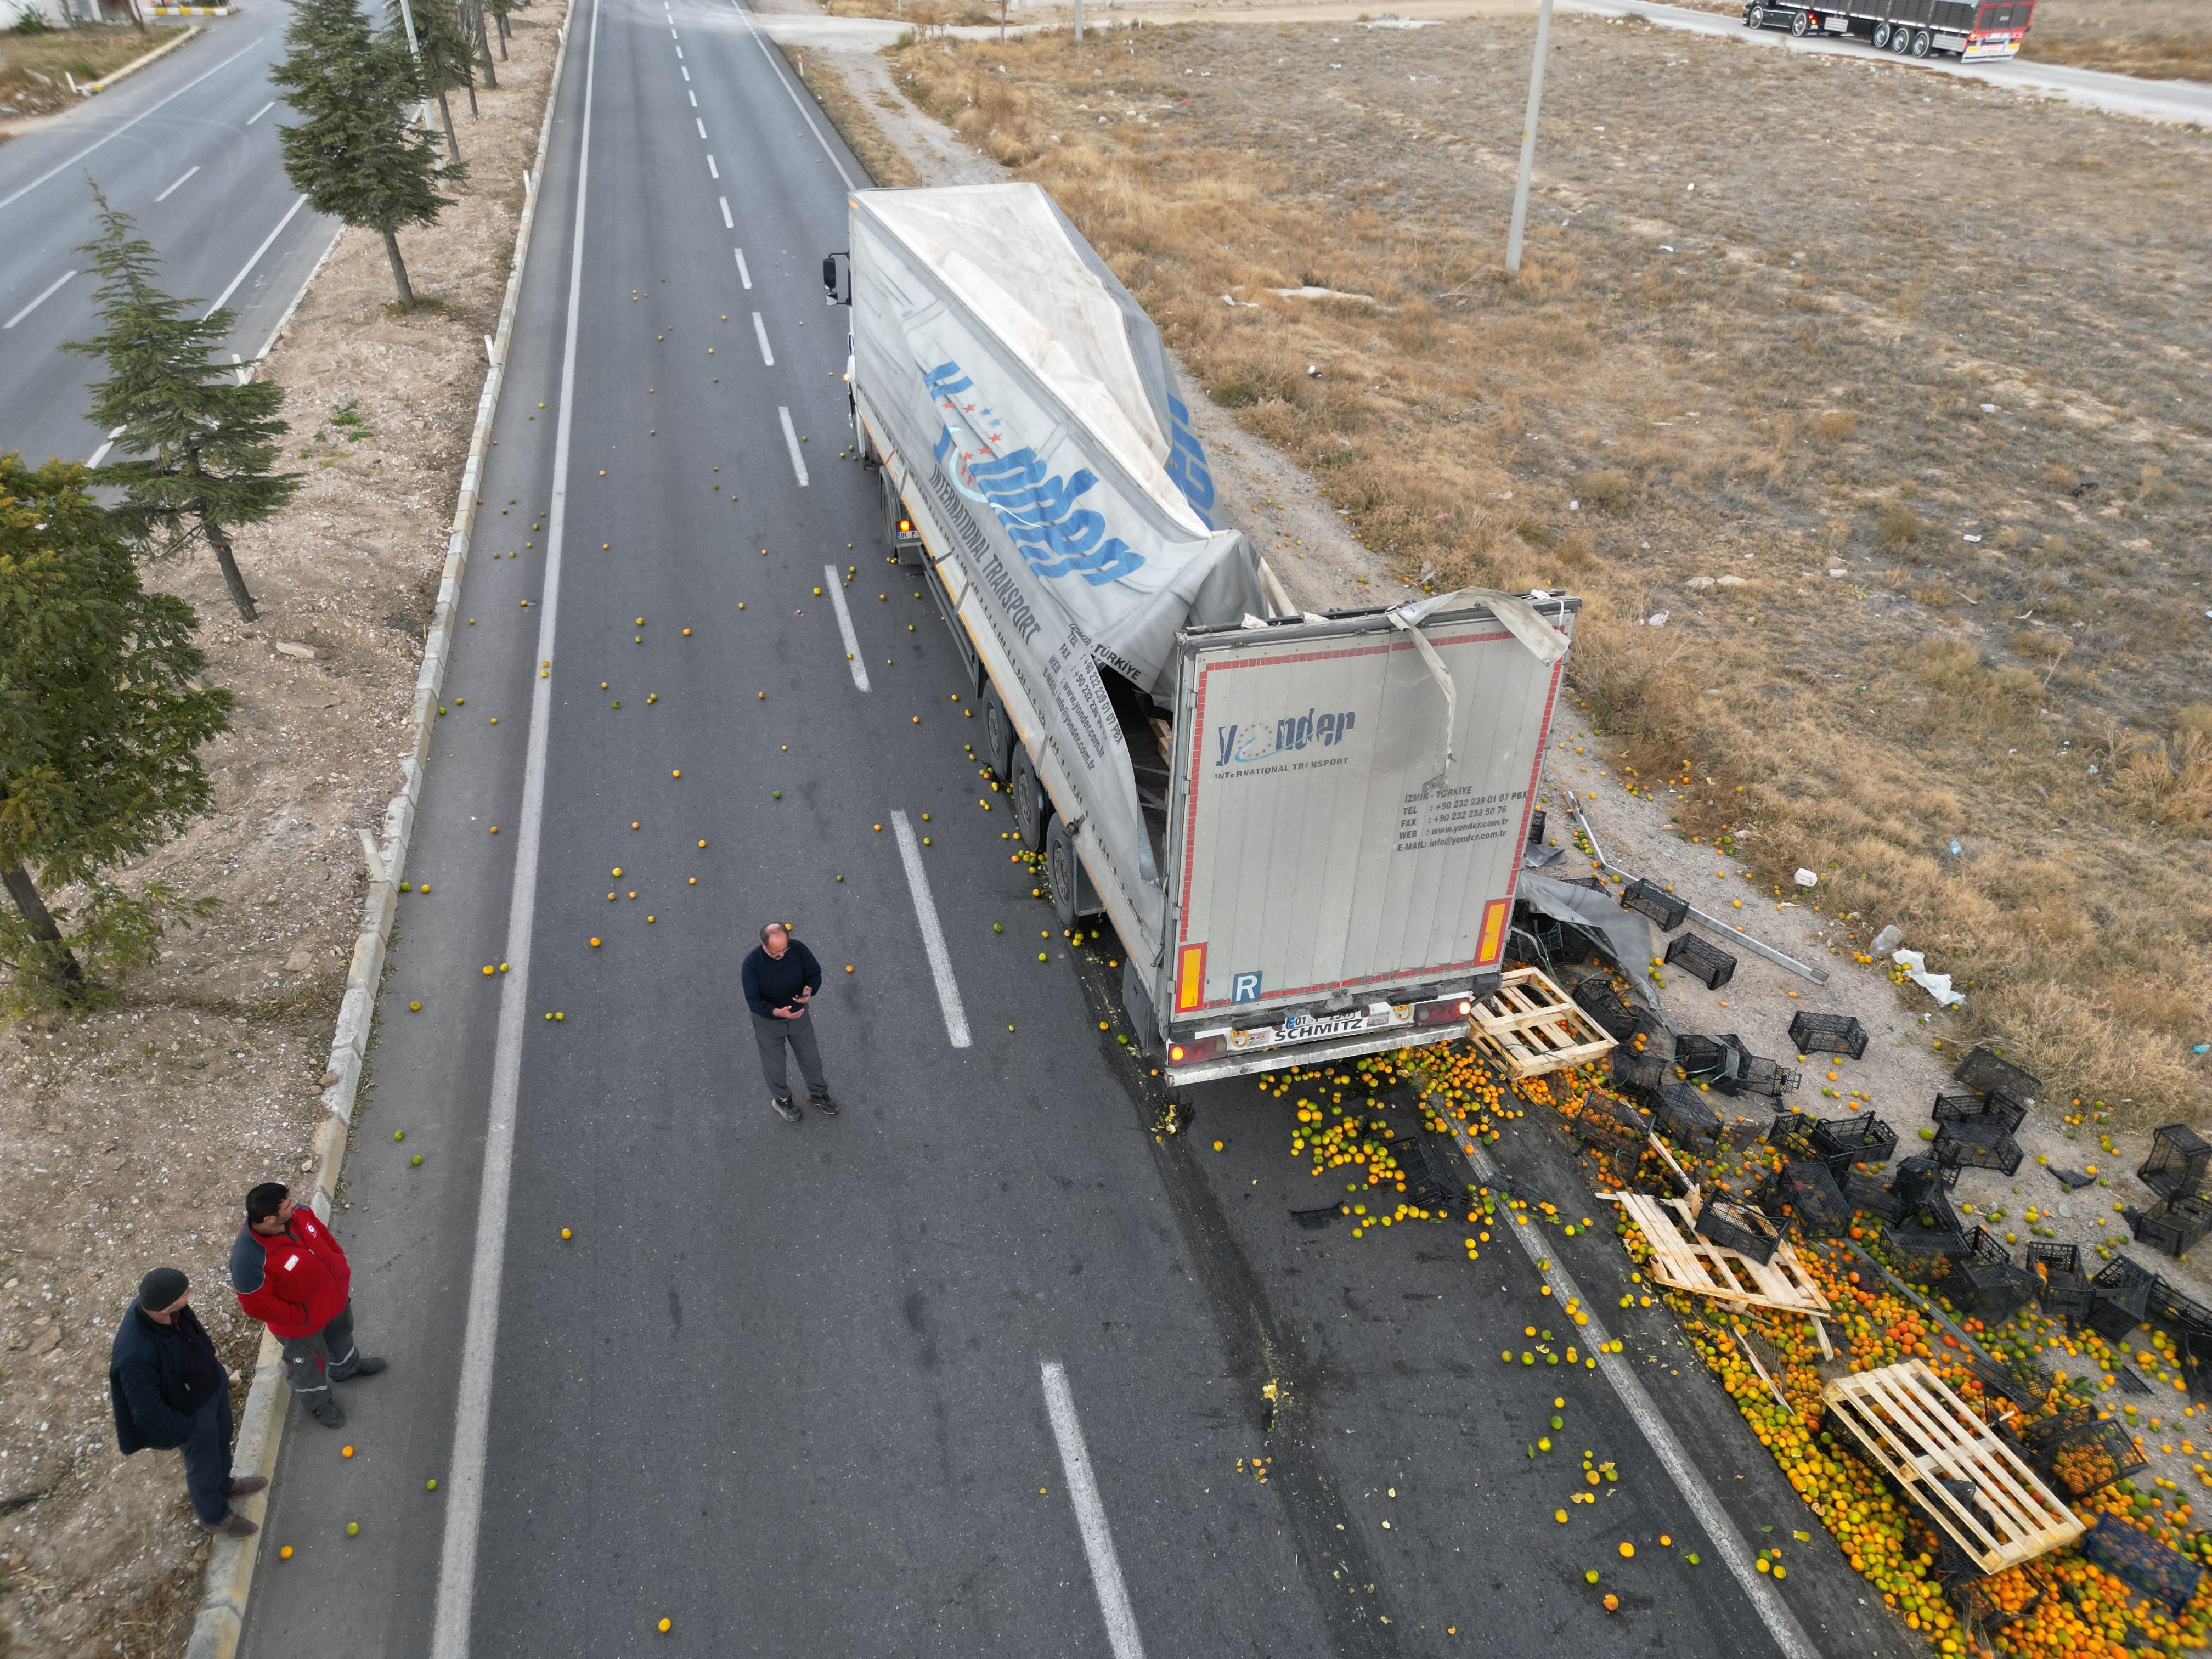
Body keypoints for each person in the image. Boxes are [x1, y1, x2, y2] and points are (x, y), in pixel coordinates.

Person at [109, 1267, 266, 1538]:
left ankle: (225, 1484)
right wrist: (187, 1429)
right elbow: (146, 1412)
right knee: (203, 1465)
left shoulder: (166, 1309)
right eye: (185, 1293)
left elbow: (193, 1327)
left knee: (222, 1439)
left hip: (210, 1389)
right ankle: (215, 1516)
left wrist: (210, 1356)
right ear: (163, 1309)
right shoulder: (135, 1354)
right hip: (190, 1412)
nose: (190, 1293)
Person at [230, 1183, 384, 1430]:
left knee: (341, 1335)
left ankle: (347, 1366)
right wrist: (300, 1316)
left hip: (333, 1301)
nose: (296, 1204)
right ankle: (318, 1403)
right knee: (308, 1365)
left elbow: (321, 1233)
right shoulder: (248, 1259)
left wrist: (338, 1262)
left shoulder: (297, 1213)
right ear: (269, 1219)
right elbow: (256, 1305)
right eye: (288, 1205)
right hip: (300, 1325)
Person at [741, 921, 838, 1122]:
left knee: (811, 1058)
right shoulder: (751, 965)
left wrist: (809, 990)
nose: (782, 955)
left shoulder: (799, 949)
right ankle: (782, 1100)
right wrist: (778, 1012)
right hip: (769, 1022)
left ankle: (818, 1093)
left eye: (785, 949)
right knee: (774, 1065)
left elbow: (814, 973)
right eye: (777, 952)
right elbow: (754, 1002)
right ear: (763, 945)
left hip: (799, 1016)